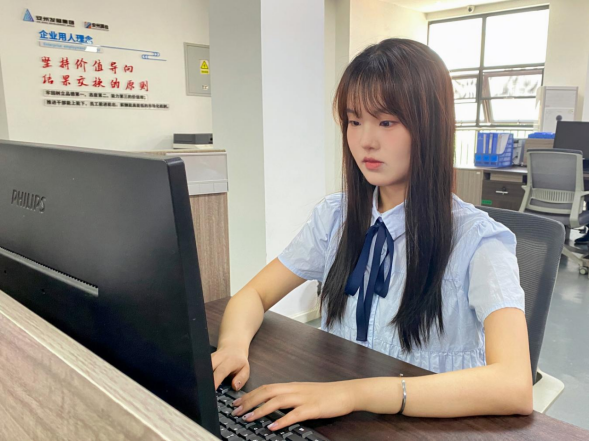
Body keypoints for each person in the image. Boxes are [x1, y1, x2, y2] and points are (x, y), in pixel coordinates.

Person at [211, 38, 533, 432]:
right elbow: (254, 295)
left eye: (386, 122)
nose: (366, 140)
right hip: (339, 420)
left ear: (430, 127)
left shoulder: (478, 241)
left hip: (430, 428)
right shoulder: (336, 217)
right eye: (354, 121)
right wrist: (232, 346)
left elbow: (515, 385)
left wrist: (357, 394)